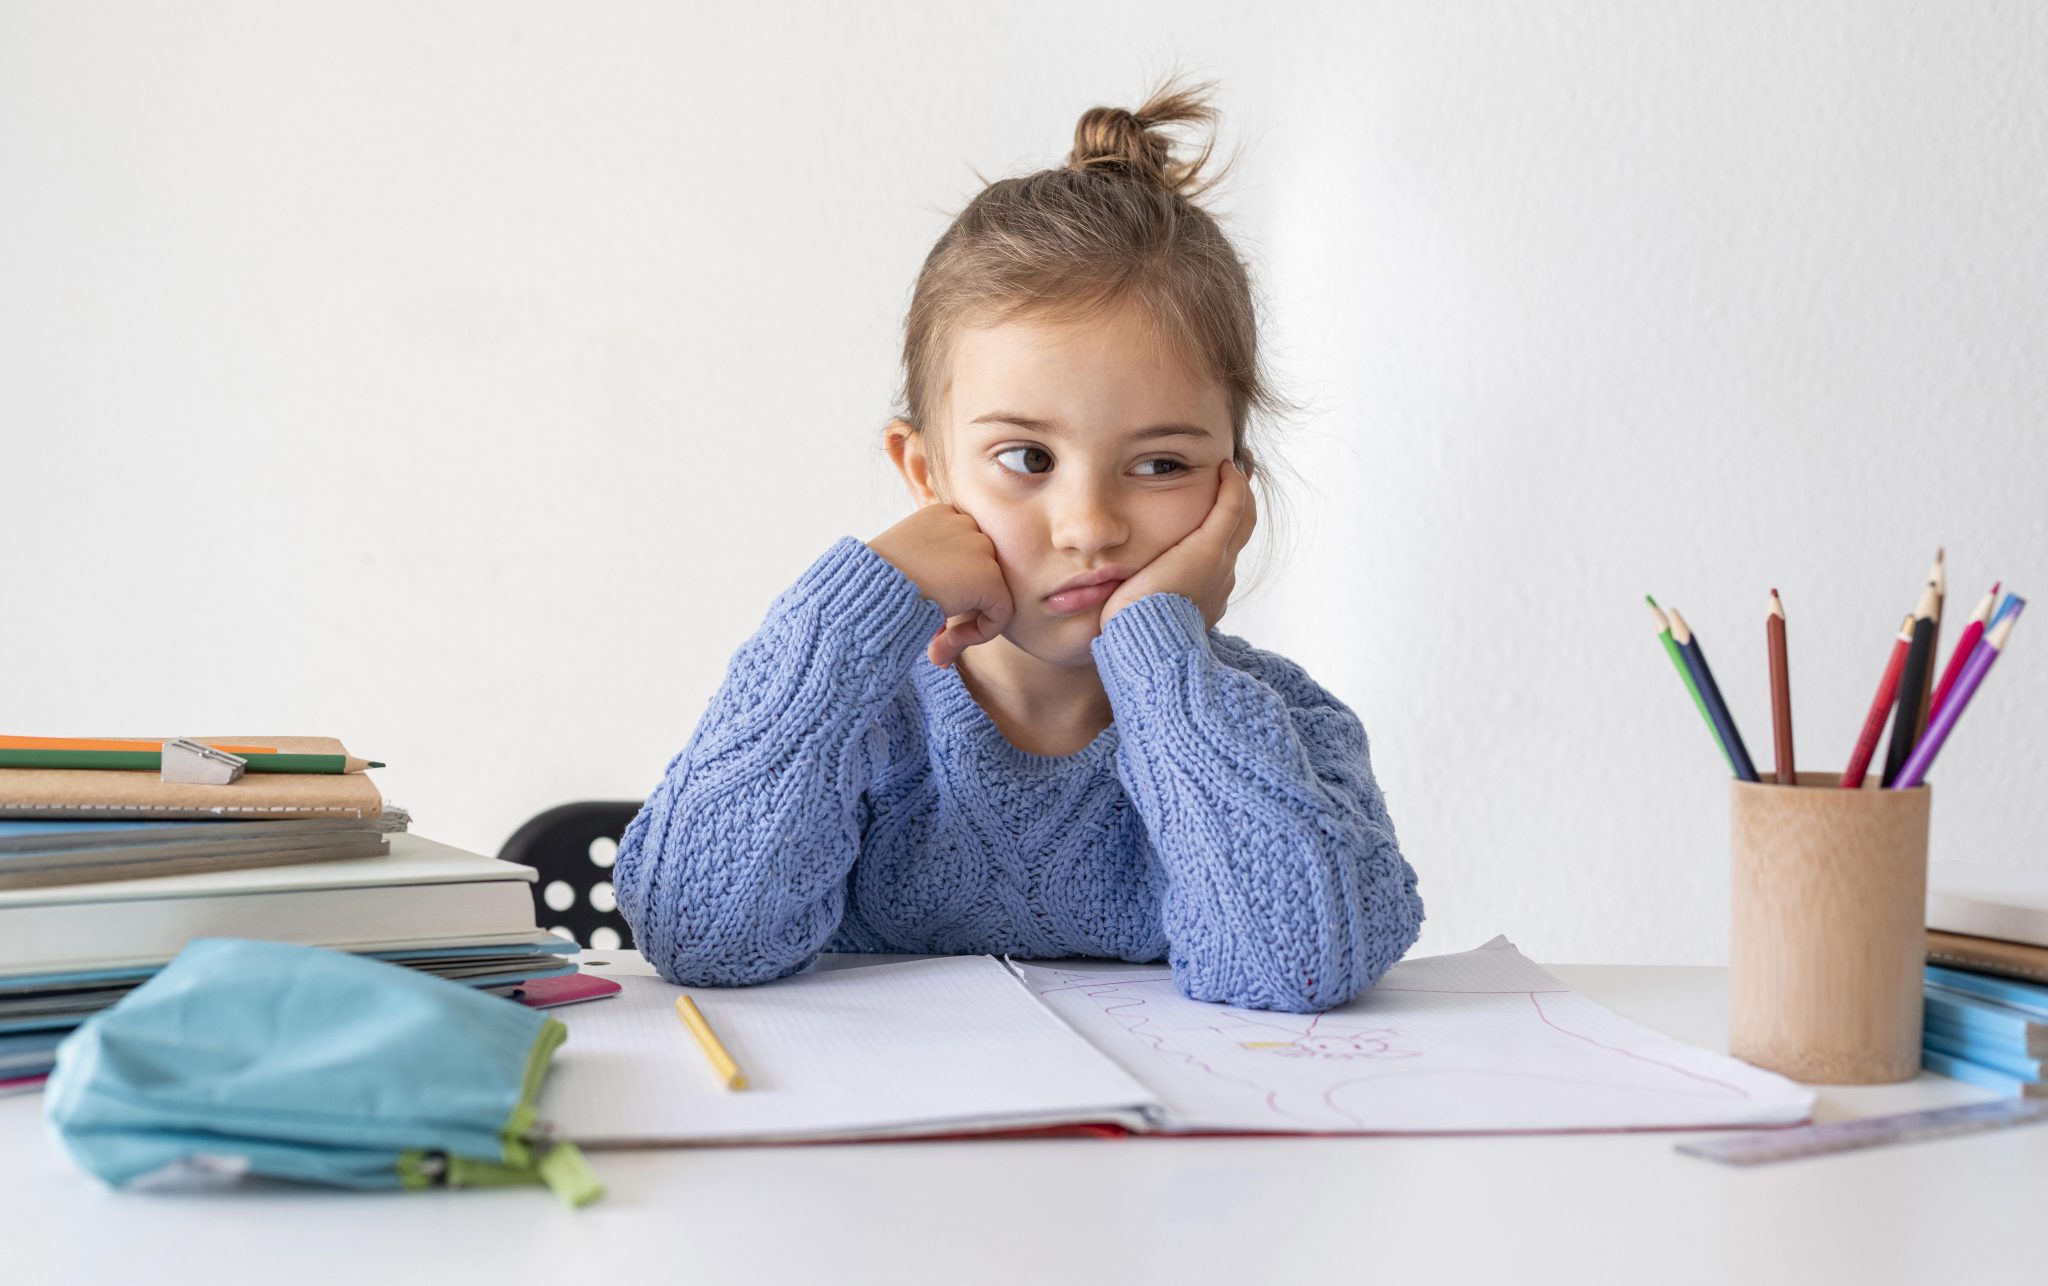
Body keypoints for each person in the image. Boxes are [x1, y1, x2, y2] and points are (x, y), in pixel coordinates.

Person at [616, 77, 1423, 1012]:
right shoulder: (863, 714)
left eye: (1160, 464)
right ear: (926, 475)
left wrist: (1161, 653)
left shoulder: (1280, 726)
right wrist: (853, 614)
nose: (1089, 525)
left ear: (1230, 488)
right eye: (1027, 456)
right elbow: (700, 937)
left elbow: (1297, 969)